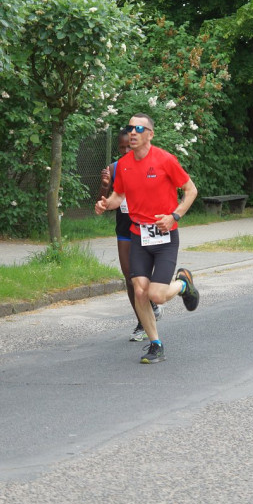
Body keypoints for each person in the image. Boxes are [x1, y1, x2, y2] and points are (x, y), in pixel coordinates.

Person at [94, 114, 200, 364]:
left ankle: (183, 284)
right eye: (129, 128)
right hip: (139, 235)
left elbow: (191, 190)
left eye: (138, 128)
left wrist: (174, 216)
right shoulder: (124, 164)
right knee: (139, 290)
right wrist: (106, 204)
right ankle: (155, 344)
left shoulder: (165, 160)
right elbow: (119, 196)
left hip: (164, 236)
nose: (132, 132)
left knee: (157, 295)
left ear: (150, 134)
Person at [99, 128, 162, 342]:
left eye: (129, 145)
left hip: (147, 227)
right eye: (122, 147)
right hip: (125, 229)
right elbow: (102, 202)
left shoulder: (148, 164)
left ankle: (151, 304)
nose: (126, 149)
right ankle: (142, 321)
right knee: (129, 278)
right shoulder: (114, 168)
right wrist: (105, 186)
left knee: (145, 277)